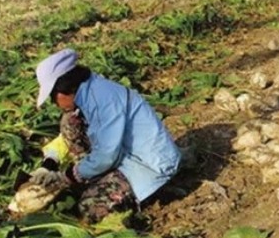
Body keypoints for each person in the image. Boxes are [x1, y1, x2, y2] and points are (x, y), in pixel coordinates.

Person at [30, 48, 181, 222]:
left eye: (52, 97)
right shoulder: (89, 92)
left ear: (63, 89)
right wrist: (50, 162)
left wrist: (69, 176)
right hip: (127, 154)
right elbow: (69, 135)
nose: (54, 103)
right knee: (69, 122)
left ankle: (149, 195)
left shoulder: (102, 100)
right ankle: (93, 177)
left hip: (150, 165)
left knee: (89, 207)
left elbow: (106, 155)